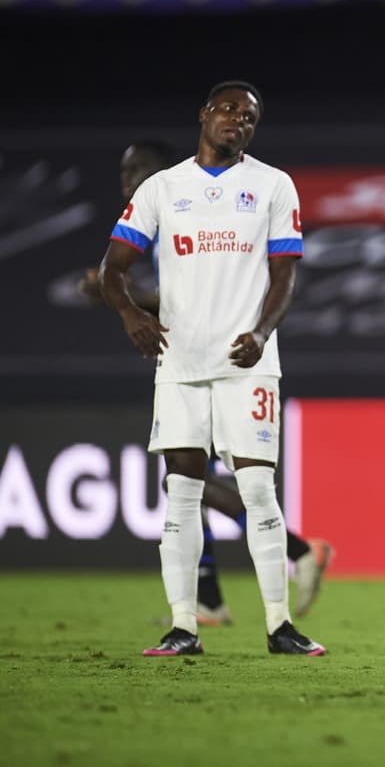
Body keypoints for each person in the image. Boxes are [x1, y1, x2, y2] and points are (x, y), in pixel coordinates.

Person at [99, 81, 325, 657]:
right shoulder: (162, 188)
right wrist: (128, 315)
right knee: (181, 492)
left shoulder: (273, 185)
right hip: (178, 361)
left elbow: (284, 277)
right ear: (204, 115)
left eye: (248, 116)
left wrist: (262, 333)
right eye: (227, 110)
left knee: (257, 488)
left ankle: (280, 626)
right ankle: (184, 627)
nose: (236, 121)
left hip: (247, 363)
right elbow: (113, 268)